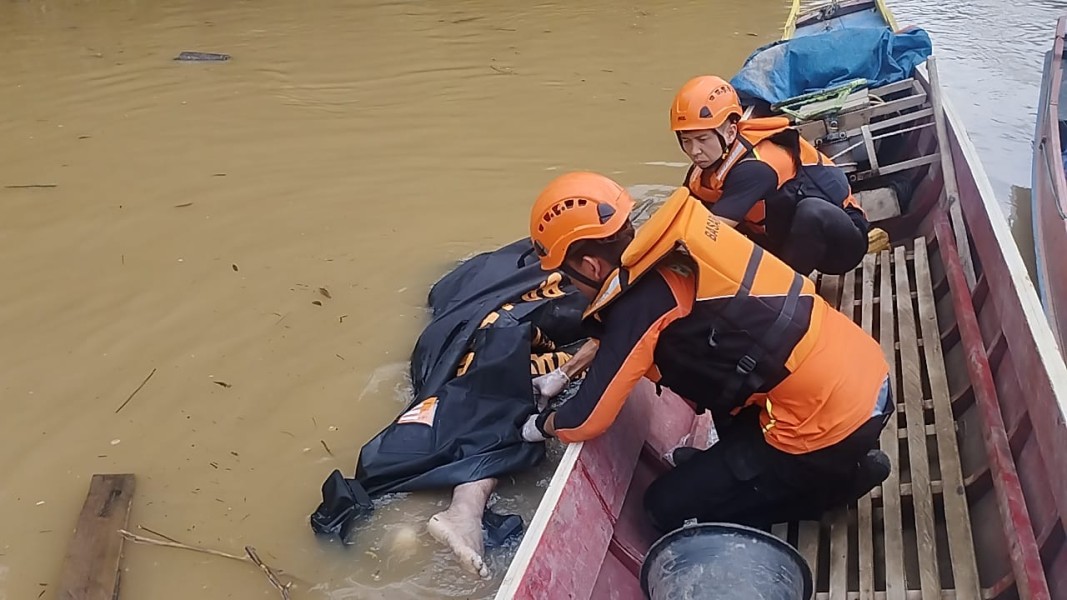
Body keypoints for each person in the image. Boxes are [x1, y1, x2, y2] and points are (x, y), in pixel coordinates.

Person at [520, 171, 894, 532]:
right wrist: (565, 372)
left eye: (568, 276)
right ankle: (784, 466)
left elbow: (585, 419)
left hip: (829, 426)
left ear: (590, 265)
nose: (571, 285)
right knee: (713, 375)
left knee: (661, 509)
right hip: (862, 374)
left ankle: (836, 487)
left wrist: (540, 425)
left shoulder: (643, 302)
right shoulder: (679, 242)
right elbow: (624, 341)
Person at [669, 75, 890, 276]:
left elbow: (710, 232)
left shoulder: (755, 168)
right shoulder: (704, 168)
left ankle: (787, 290)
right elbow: (682, 213)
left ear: (730, 132)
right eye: (686, 141)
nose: (694, 150)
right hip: (784, 239)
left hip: (839, 246)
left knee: (811, 212)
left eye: (703, 139)